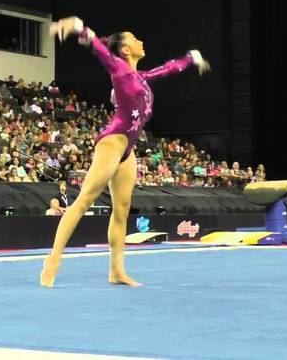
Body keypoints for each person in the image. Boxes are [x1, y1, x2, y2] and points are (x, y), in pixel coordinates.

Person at [40, 16, 210, 287]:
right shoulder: (118, 67)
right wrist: (76, 26)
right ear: (126, 49)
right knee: (84, 200)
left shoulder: (141, 77)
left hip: (128, 149)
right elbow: (98, 48)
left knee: (121, 209)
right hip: (113, 142)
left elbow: (167, 69)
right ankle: (53, 260)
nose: (141, 41)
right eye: (134, 38)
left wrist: (191, 59)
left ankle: (116, 270)